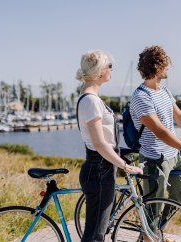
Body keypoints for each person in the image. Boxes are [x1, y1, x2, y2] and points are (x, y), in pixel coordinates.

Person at [130, 45, 181, 205]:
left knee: (180, 195)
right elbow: (160, 132)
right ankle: (150, 230)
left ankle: (158, 228)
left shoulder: (164, 91)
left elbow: (180, 117)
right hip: (154, 158)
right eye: (165, 64)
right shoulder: (141, 96)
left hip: (173, 155)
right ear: (156, 67)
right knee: (154, 206)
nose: (168, 67)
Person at [76, 50, 142, 242]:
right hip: (99, 170)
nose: (112, 69)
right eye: (109, 65)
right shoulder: (90, 101)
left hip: (101, 169)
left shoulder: (92, 99)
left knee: (99, 232)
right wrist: (125, 166)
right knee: (94, 236)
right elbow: (99, 144)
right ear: (99, 71)